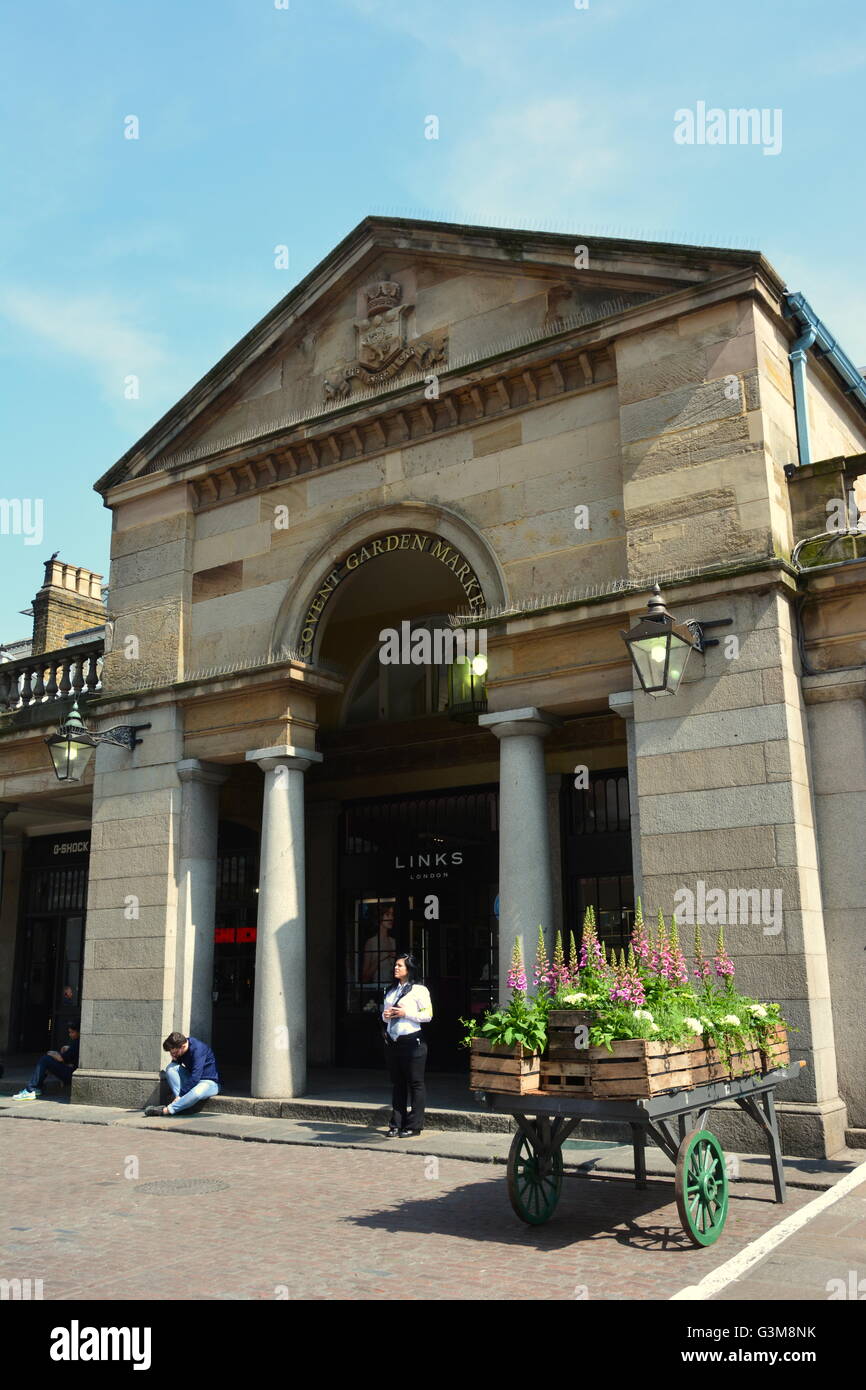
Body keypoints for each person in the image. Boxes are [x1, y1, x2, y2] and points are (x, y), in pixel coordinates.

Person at [381, 953, 433, 1138]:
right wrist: (386, 1016)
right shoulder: (391, 990)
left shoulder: (419, 990)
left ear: (409, 969)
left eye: (400, 966)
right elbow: (384, 1015)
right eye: (395, 965)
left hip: (413, 1041)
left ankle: (414, 1125)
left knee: (416, 1083)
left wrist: (405, 1012)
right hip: (393, 1041)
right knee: (397, 1083)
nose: (396, 968)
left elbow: (427, 1015)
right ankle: (396, 1123)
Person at [143, 1031, 220, 1117]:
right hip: (192, 1080)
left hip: (209, 1083)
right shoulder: (180, 1047)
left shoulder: (198, 1049)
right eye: (171, 1053)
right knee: (171, 1068)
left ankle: (165, 1110)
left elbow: (195, 1076)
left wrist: (181, 1095)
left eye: (174, 1053)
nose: (173, 1055)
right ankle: (183, 1105)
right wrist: (175, 1059)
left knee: (197, 1092)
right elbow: (177, 1069)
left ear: (183, 1047)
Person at [11, 1021, 80, 1100]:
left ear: (79, 1032)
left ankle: (31, 1089)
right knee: (46, 1063)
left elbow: (62, 1059)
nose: (70, 1034)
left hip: (72, 1075)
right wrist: (67, 1049)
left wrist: (51, 1053)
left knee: (45, 1060)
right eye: (69, 1032)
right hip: (72, 1072)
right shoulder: (76, 1042)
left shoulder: (77, 1042)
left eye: (72, 1032)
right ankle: (35, 1088)